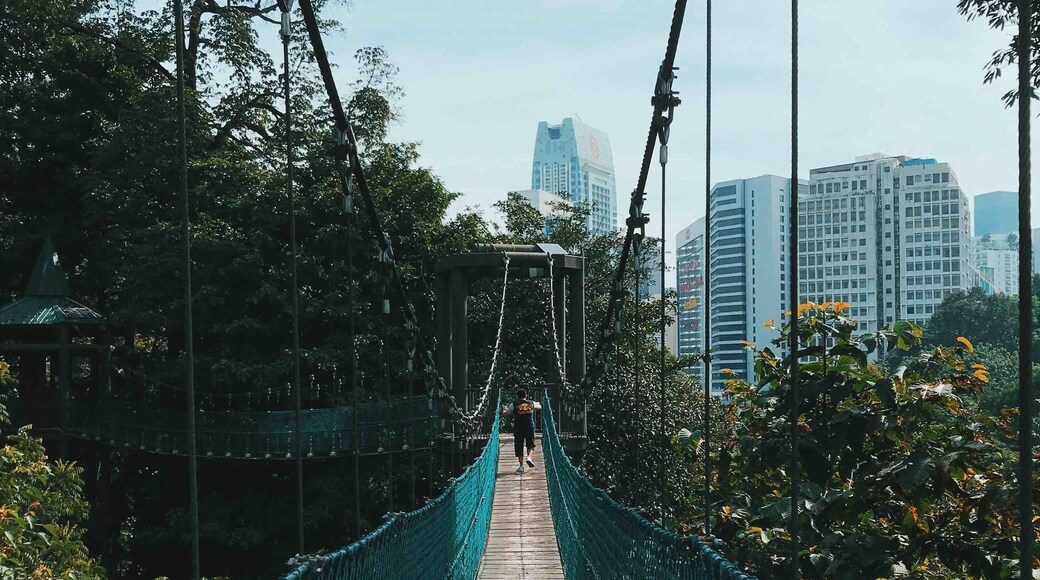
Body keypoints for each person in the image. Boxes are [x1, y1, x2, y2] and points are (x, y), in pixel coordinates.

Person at [500, 388, 541, 474]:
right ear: (526, 396)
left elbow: (505, 414)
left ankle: (521, 466)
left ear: (517, 396)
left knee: (519, 445)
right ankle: (529, 457)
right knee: (530, 444)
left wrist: (504, 409)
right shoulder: (531, 402)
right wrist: (538, 404)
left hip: (518, 427)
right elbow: (539, 407)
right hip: (530, 426)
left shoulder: (514, 404)